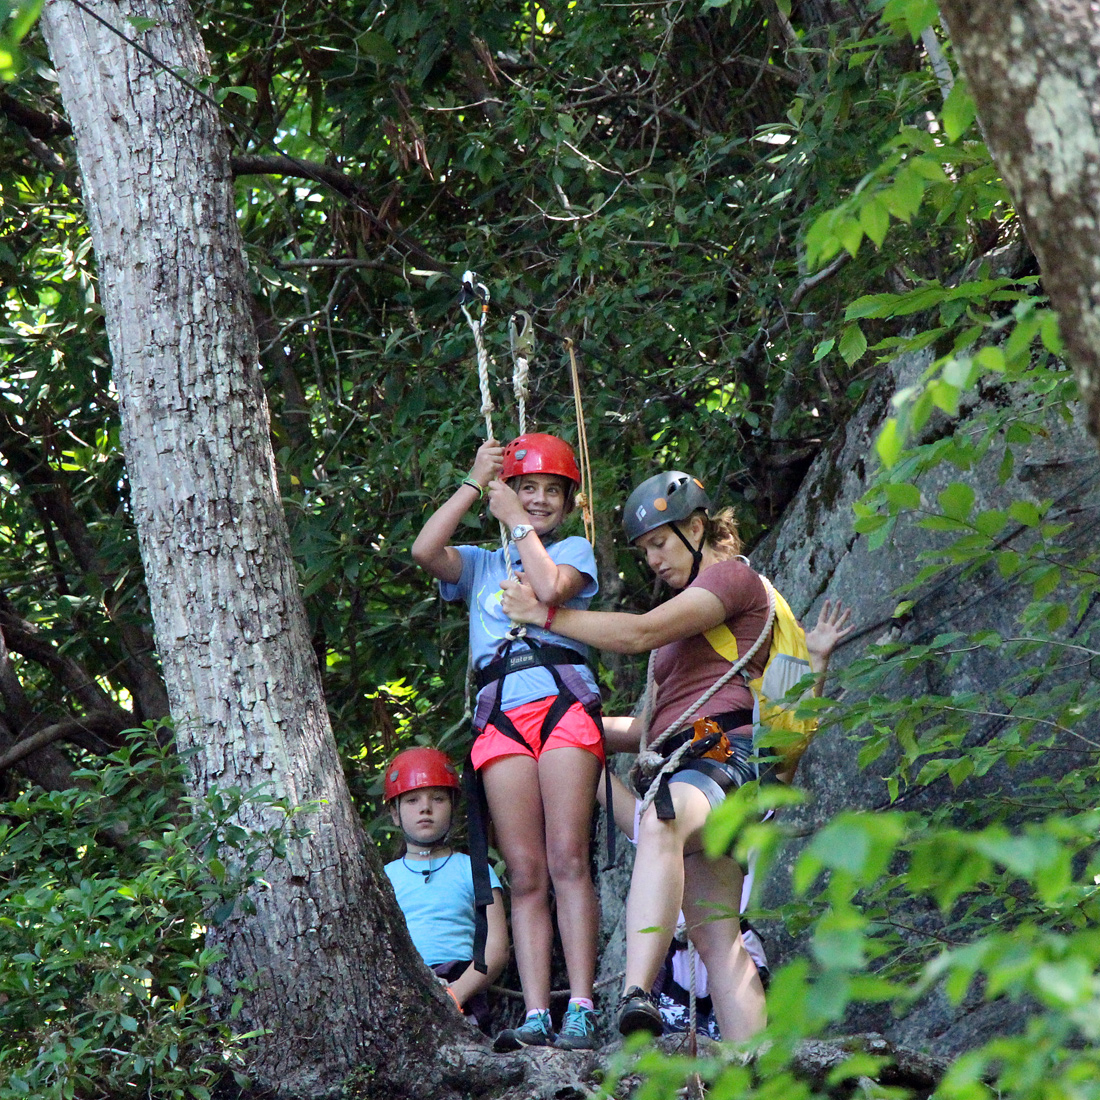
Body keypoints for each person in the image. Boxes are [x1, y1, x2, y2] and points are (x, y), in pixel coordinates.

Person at [501, 469, 852, 1043]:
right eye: (644, 553)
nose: (654, 562)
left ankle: (636, 991)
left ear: (696, 527)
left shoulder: (732, 580)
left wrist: (543, 615)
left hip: (722, 747)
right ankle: (753, 1072)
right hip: (697, 753)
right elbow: (653, 726)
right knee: (717, 937)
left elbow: (638, 632)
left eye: (660, 543)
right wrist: (578, 726)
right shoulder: (693, 619)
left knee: (663, 821)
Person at [411, 434, 604, 1051]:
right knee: (523, 872)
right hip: (500, 716)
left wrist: (518, 521)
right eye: (528, 488)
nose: (540, 499)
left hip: (561, 704)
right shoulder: (483, 565)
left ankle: (580, 1003)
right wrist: (474, 482)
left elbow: (549, 590)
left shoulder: (574, 549)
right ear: (510, 490)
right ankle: (537, 1012)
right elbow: (424, 549)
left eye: (552, 490)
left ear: (567, 501)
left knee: (568, 858)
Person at [383, 746, 509, 1031]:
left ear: (453, 807)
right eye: (412, 800)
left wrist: (456, 995)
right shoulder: (384, 879)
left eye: (438, 799)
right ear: (394, 813)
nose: (425, 808)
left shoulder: (474, 869)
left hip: (465, 987)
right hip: (401, 990)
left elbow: (496, 950)